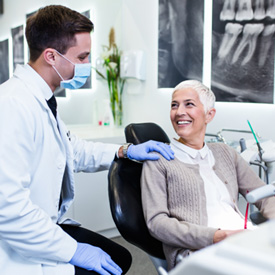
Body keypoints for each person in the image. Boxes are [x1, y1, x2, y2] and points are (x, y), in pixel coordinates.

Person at [0, 5, 174, 275]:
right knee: (109, 267)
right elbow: (8, 209)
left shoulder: (41, 101)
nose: (87, 65)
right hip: (18, 247)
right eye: (82, 57)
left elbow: (73, 150)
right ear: (51, 57)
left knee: (119, 258)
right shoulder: (12, 106)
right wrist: (74, 251)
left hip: (44, 228)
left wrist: (126, 151)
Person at [141, 80, 275, 270]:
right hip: (197, 251)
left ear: (209, 114)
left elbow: (265, 196)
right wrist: (217, 236)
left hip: (243, 239)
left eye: (189, 104)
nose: (179, 112)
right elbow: (157, 223)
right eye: (174, 105)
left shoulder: (225, 152)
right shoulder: (158, 160)